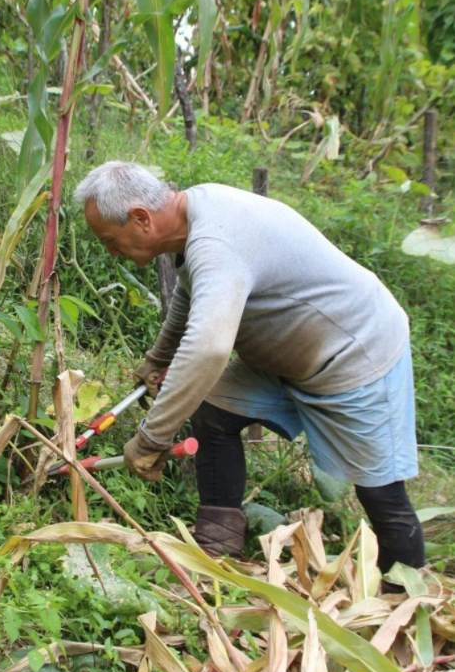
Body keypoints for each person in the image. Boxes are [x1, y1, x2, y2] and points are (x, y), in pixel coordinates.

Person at [74, 161, 425, 583]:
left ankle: (406, 602)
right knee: (211, 408)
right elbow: (190, 294)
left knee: (380, 492)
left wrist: (151, 438)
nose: (112, 252)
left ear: (141, 219)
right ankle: (218, 550)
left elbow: (209, 349)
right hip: (287, 360)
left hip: (356, 353)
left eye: (111, 241)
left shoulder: (216, 242)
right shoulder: (195, 210)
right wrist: (158, 358)